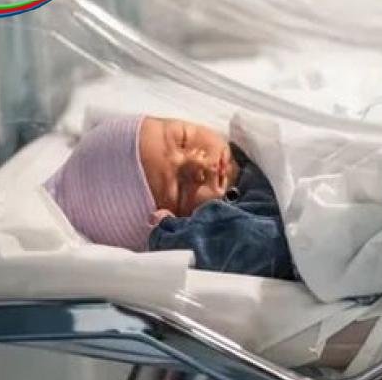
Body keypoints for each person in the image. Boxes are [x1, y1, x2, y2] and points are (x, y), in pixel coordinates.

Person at [45, 114, 296, 280]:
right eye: (181, 189)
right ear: (182, 221)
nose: (198, 164)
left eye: (183, 140)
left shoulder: (248, 144)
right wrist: (175, 238)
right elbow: (265, 243)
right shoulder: (247, 217)